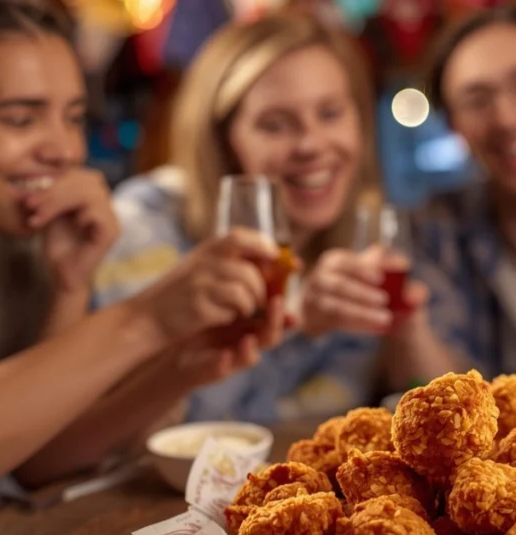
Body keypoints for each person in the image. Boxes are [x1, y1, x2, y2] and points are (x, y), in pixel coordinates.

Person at [0, 0, 287, 519]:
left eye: (72, 118)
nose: (64, 150)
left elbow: (31, 460)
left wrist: (176, 367)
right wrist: (144, 320)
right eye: (21, 118)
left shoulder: (23, 249)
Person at [306, 6, 516, 403]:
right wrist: (404, 323)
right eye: (476, 99)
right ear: (455, 126)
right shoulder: (431, 230)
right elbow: (442, 402)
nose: (506, 118)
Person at [95, 13, 383, 424]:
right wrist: (298, 328)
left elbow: (334, 417)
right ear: (222, 142)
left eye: (331, 112)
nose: (312, 144)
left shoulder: (360, 238)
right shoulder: (143, 225)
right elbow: (171, 434)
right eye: (275, 124)